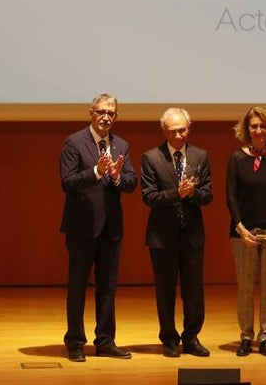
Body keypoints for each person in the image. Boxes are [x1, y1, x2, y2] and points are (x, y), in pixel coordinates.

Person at [59, 92, 137, 362]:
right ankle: (75, 342)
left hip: (111, 228)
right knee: (78, 286)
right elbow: (67, 182)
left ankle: (105, 341)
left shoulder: (121, 145)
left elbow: (131, 183)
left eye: (111, 113)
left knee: (108, 287)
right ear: (91, 113)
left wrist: (116, 175)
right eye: (101, 112)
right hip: (82, 228)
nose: (106, 117)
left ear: (116, 116)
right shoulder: (74, 142)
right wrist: (95, 172)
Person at [140, 107, 214, 358]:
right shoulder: (151, 158)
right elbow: (149, 197)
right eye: (174, 131)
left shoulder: (200, 156)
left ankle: (191, 337)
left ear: (189, 128)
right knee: (165, 291)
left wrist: (192, 193)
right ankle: (169, 339)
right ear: (164, 131)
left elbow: (208, 195)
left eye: (183, 130)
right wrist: (177, 194)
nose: (180, 135)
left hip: (192, 235)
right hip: (162, 236)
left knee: (194, 292)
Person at [226, 106, 266, 357]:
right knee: (245, 288)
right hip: (245, 233)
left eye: (263, 125)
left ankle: (265, 337)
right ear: (247, 129)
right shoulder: (237, 157)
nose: (258, 130)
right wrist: (240, 227)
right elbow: (230, 196)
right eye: (253, 126)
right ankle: (245, 336)